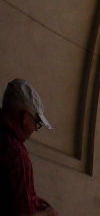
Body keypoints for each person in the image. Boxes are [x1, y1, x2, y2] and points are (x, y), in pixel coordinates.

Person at [1, 79, 57, 216]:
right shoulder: (16, 154)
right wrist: (48, 213)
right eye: (37, 123)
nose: (35, 130)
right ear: (25, 117)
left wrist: (29, 197)